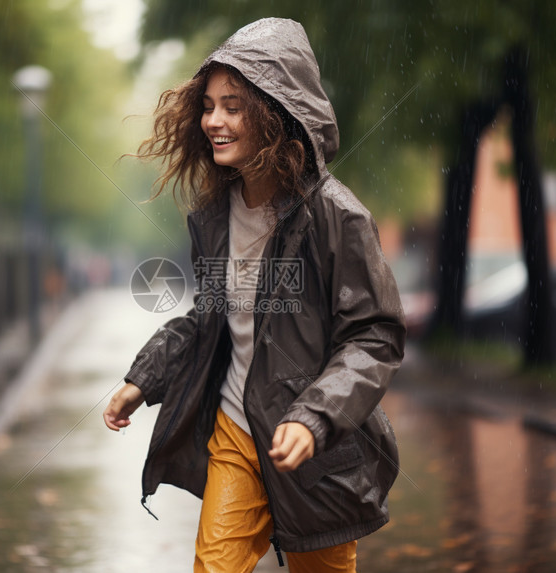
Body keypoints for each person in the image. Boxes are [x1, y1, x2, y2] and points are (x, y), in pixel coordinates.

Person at [103, 17, 405, 572]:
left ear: (274, 112)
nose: (213, 120)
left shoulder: (335, 215)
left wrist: (313, 417)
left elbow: (374, 336)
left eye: (233, 106)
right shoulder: (218, 215)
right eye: (209, 105)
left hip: (319, 452)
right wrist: (141, 378)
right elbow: (209, 320)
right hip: (237, 433)